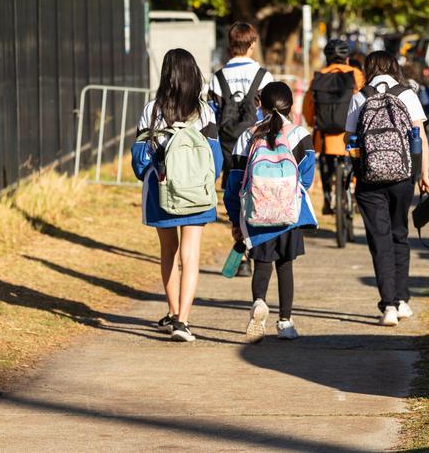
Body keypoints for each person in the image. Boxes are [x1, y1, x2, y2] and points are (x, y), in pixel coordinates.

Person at [131, 49, 223, 342]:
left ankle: (171, 313)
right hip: (196, 191)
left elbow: (139, 157)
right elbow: (215, 157)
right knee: (191, 254)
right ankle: (183, 320)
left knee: (168, 251)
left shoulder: (152, 110)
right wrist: (208, 181)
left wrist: (153, 173)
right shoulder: (204, 111)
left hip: (161, 190)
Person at [224, 82, 317, 342]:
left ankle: (259, 303)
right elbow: (307, 179)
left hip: (257, 213)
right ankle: (286, 322)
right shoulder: (300, 135)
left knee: (261, 266)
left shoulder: (248, 135)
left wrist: (235, 220)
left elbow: (234, 182)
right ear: (290, 106)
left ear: (260, 105)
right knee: (285, 268)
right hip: (290, 215)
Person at [345, 51, 429, 326]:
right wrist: (423, 174)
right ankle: (403, 299)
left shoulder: (360, 96)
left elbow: (350, 139)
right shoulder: (406, 94)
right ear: (394, 66)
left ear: (369, 69)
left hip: (369, 180)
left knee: (379, 240)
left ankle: (389, 306)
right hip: (402, 178)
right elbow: (421, 136)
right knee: (399, 234)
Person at [209, 22, 273, 277]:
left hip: (228, 145)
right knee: (257, 194)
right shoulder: (263, 76)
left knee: (234, 197)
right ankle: (257, 247)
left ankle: (241, 248)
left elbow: (213, 114)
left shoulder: (218, 77)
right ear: (253, 44)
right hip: (256, 143)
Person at [302, 39, 364, 214]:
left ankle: (328, 199)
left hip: (325, 136)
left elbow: (308, 106)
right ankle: (357, 196)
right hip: (350, 135)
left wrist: (313, 123)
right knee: (358, 161)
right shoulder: (357, 75)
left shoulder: (319, 76)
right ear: (347, 58)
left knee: (325, 163)